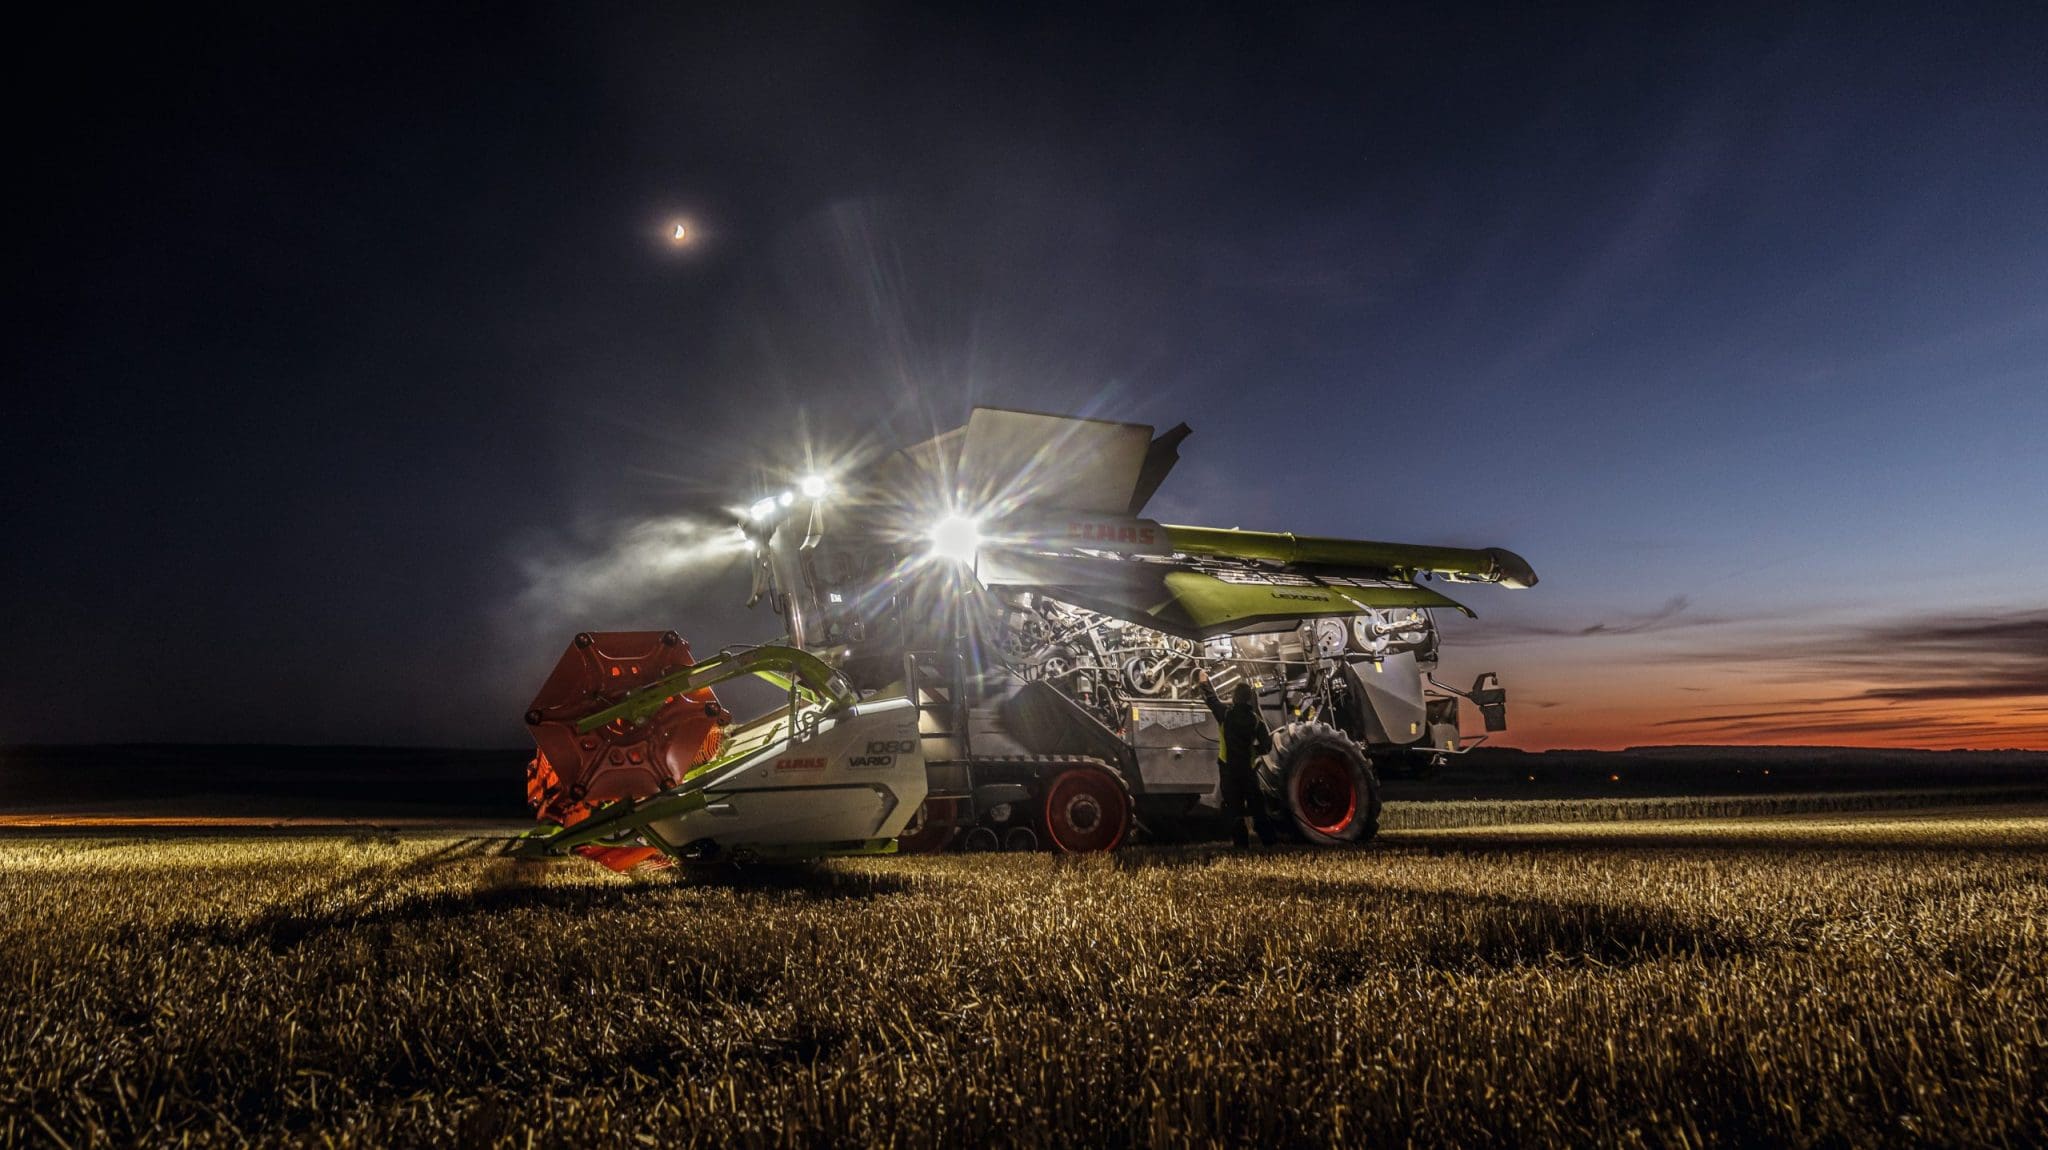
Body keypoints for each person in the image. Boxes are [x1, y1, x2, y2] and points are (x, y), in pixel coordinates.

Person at [1197, 669, 1272, 849]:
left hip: (1228, 770)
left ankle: (1241, 843)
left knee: (1234, 808)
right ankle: (1269, 841)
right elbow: (1267, 746)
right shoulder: (1256, 720)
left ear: (1234, 698)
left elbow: (1211, 699)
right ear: (1249, 699)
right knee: (1258, 808)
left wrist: (1203, 679)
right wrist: (1255, 752)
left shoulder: (1226, 714)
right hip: (1248, 771)